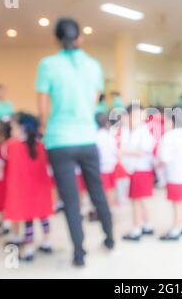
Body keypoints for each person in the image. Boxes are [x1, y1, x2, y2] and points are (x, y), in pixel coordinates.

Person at [35, 17, 114, 267]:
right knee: (97, 191)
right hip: (86, 136)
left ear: (56, 39)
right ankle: (110, 240)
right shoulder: (93, 65)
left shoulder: (47, 64)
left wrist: (46, 125)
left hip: (59, 139)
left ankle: (79, 254)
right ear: (80, 37)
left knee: (70, 200)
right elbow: (94, 100)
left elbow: (42, 103)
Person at [2, 113, 53, 261]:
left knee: (28, 219)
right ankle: (47, 242)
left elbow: (3, 155)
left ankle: (29, 249)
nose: (11, 131)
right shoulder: (41, 145)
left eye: (14, 128)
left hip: (24, 191)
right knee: (43, 216)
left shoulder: (12, 146)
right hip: (41, 189)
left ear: (22, 128)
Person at [120, 105, 155, 241]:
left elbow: (143, 151)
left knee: (135, 201)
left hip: (141, 170)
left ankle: (136, 229)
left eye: (139, 116)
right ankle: (147, 225)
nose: (137, 119)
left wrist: (123, 152)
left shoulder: (143, 131)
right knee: (140, 200)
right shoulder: (132, 131)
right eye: (133, 116)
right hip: (137, 170)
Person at [158, 112, 182, 241]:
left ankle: (175, 230)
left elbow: (164, 158)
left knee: (176, 204)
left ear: (173, 122)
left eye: (167, 121)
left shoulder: (168, 137)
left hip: (174, 175)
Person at [96, 113, 118, 206]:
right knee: (110, 189)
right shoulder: (110, 136)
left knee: (105, 190)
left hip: (101, 167)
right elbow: (115, 151)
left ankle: (107, 208)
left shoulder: (96, 136)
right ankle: (109, 207)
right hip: (111, 165)